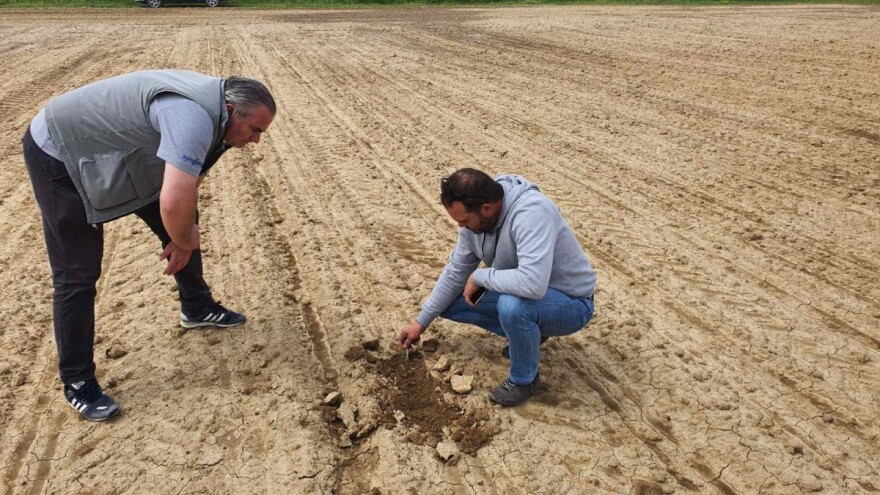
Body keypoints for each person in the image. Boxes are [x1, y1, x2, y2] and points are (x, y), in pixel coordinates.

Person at [22, 69, 276, 421]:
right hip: (58, 150)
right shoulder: (193, 117)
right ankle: (77, 380)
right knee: (77, 271)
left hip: (127, 151)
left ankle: (197, 308)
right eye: (255, 130)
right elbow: (171, 203)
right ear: (232, 110)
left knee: (187, 218)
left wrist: (183, 233)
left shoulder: (219, 117)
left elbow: (188, 187)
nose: (256, 141)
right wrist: (182, 238)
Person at [398, 168, 596, 406]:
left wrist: (482, 276)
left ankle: (525, 380)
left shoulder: (532, 212)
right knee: (449, 301)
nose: (461, 228)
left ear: (487, 209)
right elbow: (454, 274)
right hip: (529, 294)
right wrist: (420, 323)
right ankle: (529, 334)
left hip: (571, 302)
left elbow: (533, 284)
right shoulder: (475, 226)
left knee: (513, 306)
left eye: (464, 221)